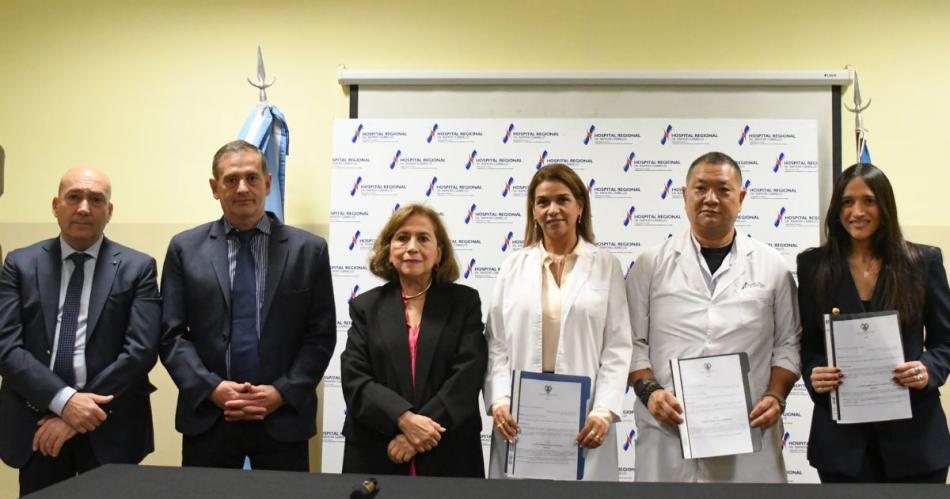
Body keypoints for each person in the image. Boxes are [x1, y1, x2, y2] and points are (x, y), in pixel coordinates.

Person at [160, 140, 335, 471]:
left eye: (252, 178)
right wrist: (212, 388)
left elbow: (320, 336)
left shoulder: (308, 251)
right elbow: (171, 335)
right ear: (215, 187)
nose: (242, 188)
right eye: (231, 179)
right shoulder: (185, 249)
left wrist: (281, 393)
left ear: (267, 184)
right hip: (209, 416)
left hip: (283, 418)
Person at [626, 151, 800, 482]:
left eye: (723, 189)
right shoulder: (650, 264)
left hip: (748, 431)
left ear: (741, 198)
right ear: (684, 195)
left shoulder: (772, 266)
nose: (710, 198)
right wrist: (650, 392)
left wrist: (776, 395)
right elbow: (631, 341)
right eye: (700, 188)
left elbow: (789, 343)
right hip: (668, 432)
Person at [0, 168, 161, 495]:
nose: (84, 208)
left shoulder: (138, 267)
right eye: (74, 197)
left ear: (109, 210)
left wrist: (76, 411)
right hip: (37, 424)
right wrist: (64, 401)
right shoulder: (20, 264)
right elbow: (7, 346)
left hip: (111, 423)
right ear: (56, 205)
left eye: (96, 200)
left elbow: (141, 350)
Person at [798, 163, 950, 483]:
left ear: (885, 206)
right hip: (842, 447)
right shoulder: (813, 266)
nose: (857, 212)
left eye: (869, 200)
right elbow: (809, 344)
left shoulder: (922, 262)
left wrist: (928, 369)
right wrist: (816, 374)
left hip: (916, 443)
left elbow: (945, 342)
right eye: (847, 202)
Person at [484, 163, 632, 481]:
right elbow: (496, 345)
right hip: (520, 414)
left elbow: (617, 347)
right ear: (533, 211)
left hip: (585, 414)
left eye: (562, 199)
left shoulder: (606, 265)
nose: (552, 210)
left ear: (580, 206)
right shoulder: (513, 266)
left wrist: (603, 411)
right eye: (543, 202)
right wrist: (500, 400)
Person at [340, 204, 487, 477]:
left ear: (438, 253)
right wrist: (404, 419)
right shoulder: (365, 307)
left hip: (447, 447)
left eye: (423, 238)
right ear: (389, 251)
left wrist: (417, 435)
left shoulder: (464, 302)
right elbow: (355, 377)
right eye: (402, 238)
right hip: (378, 448)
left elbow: (468, 374)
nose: (411, 247)